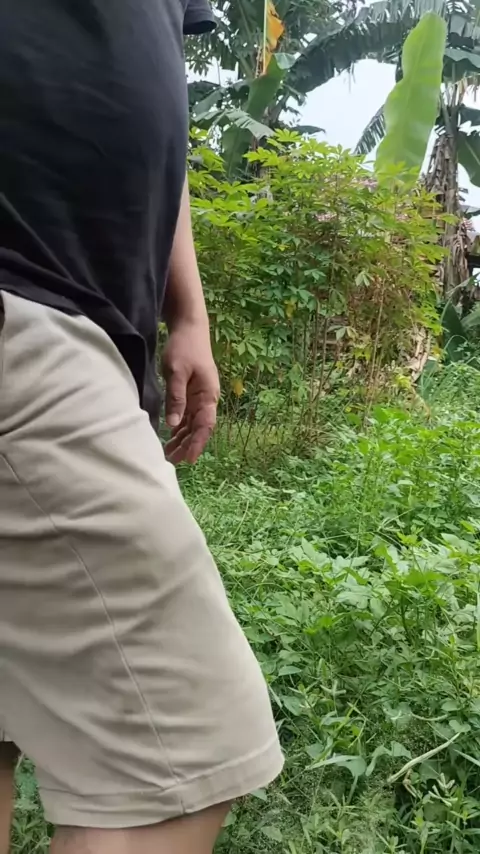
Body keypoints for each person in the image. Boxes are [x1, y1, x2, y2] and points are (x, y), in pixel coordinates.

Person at [0, 2, 284, 853]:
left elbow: (155, 93)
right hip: (27, 303)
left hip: (84, 318)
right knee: (181, 761)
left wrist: (185, 310)